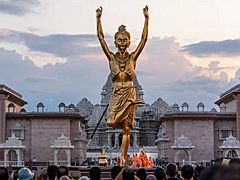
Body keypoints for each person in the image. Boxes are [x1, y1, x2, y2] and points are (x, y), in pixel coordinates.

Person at [96, 5, 149, 163]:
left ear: (129, 41)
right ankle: (129, 105)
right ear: (115, 41)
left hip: (129, 92)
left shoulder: (133, 58)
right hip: (117, 93)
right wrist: (98, 19)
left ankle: (125, 159)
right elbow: (100, 38)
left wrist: (146, 18)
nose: (122, 42)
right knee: (111, 122)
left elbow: (144, 39)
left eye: (125, 39)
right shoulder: (111, 58)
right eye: (119, 39)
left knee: (127, 129)